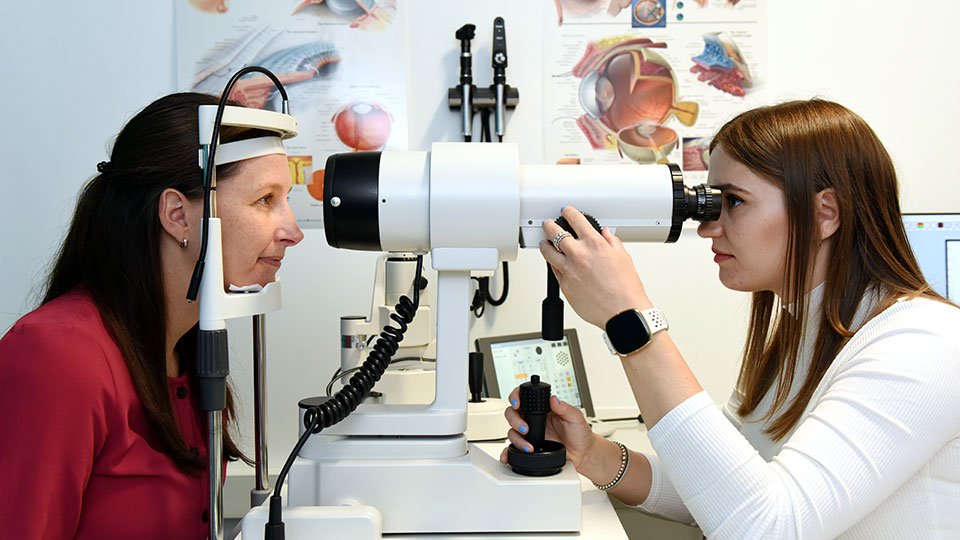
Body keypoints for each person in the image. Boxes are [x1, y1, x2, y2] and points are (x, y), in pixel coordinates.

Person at [502, 99, 960, 539]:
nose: (707, 225)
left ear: (826, 213)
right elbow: (722, 492)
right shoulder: (797, 339)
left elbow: (766, 527)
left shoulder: (922, 344)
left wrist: (631, 321)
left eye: (734, 200)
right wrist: (593, 453)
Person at [0, 92, 304, 539]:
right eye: (264, 200)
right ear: (177, 215)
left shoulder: (186, 351)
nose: (292, 231)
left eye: (287, 199)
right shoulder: (58, 357)